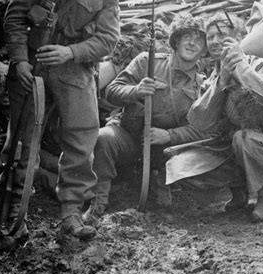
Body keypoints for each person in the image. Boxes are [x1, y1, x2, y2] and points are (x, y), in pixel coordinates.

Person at [0, 0, 123, 250]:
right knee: (21, 140)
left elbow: (108, 40)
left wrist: (71, 53)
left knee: (82, 139)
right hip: (33, 64)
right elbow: (15, 15)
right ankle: (10, 216)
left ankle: (71, 215)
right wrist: (20, 60)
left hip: (74, 67)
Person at [166, 11, 263, 222]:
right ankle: (240, 190)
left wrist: (240, 66)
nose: (215, 41)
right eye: (210, 37)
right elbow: (200, 122)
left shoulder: (261, 66)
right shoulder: (212, 79)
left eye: (222, 35)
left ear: (238, 39)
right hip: (239, 148)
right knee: (180, 168)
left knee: (244, 138)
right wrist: (222, 81)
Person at [83, 14, 208, 226]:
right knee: (104, 138)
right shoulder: (146, 62)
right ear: (175, 41)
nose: (192, 42)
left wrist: (168, 135)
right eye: (186, 36)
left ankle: (162, 186)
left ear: (204, 49)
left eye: (199, 39)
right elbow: (111, 91)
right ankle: (98, 204)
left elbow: (200, 129)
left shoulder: (203, 84)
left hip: (165, 148)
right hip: (130, 135)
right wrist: (136, 90)